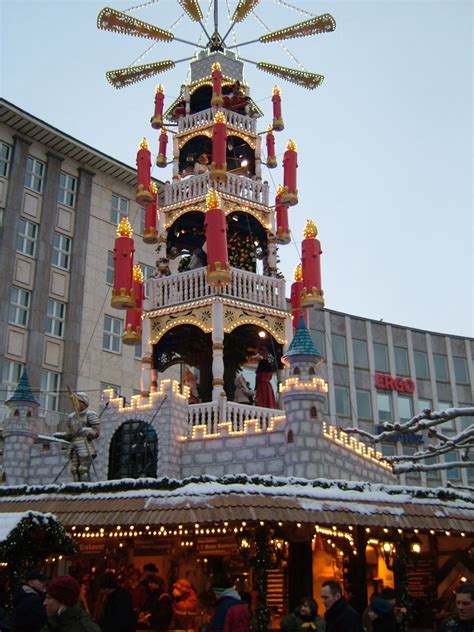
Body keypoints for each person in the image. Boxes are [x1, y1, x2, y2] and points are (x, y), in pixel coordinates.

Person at [54, 391, 100, 482]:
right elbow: (71, 434)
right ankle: (75, 488)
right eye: (74, 402)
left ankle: (84, 487)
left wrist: (87, 431)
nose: (75, 404)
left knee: (83, 469)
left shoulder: (90, 415)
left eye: (77, 401)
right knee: (73, 469)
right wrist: (63, 436)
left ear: (83, 403)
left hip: (85, 445)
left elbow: (96, 431)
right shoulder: (71, 417)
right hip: (74, 445)